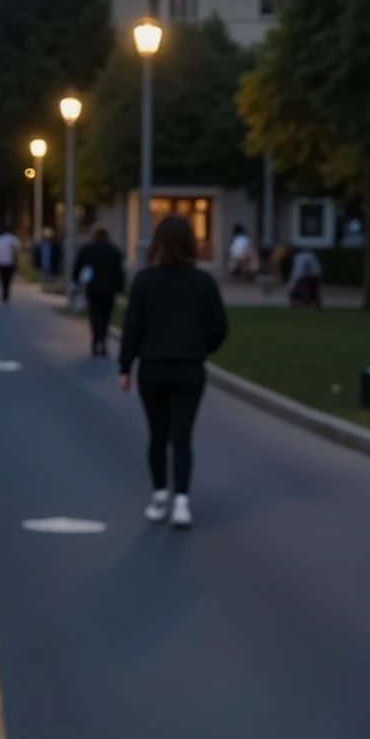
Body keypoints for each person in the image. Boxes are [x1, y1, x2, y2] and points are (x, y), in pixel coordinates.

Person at [118, 214, 228, 529]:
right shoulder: (203, 282)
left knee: (158, 435)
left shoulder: (145, 281)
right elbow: (220, 327)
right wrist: (201, 347)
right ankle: (182, 502)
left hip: (153, 368)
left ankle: (159, 497)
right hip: (189, 369)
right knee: (182, 437)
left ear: (157, 244)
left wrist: (125, 367)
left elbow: (132, 329)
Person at [72, 226, 125, 357]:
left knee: (95, 315)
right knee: (106, 316)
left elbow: (78, 267)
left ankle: (96, 340)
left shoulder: (87, 250)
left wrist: (77, 282)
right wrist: (120, 287)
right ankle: (103, 341)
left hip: (93, 288)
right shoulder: (113, 251)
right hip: (109, 289)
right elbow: (119, 271)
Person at [0, 223, 19, 304]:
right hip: (9, 262)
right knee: (8, 279)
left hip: (0, 262)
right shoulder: (13, 239)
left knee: (2, 279)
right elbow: (16, 250)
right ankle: (6, 293)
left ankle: (4, 292)